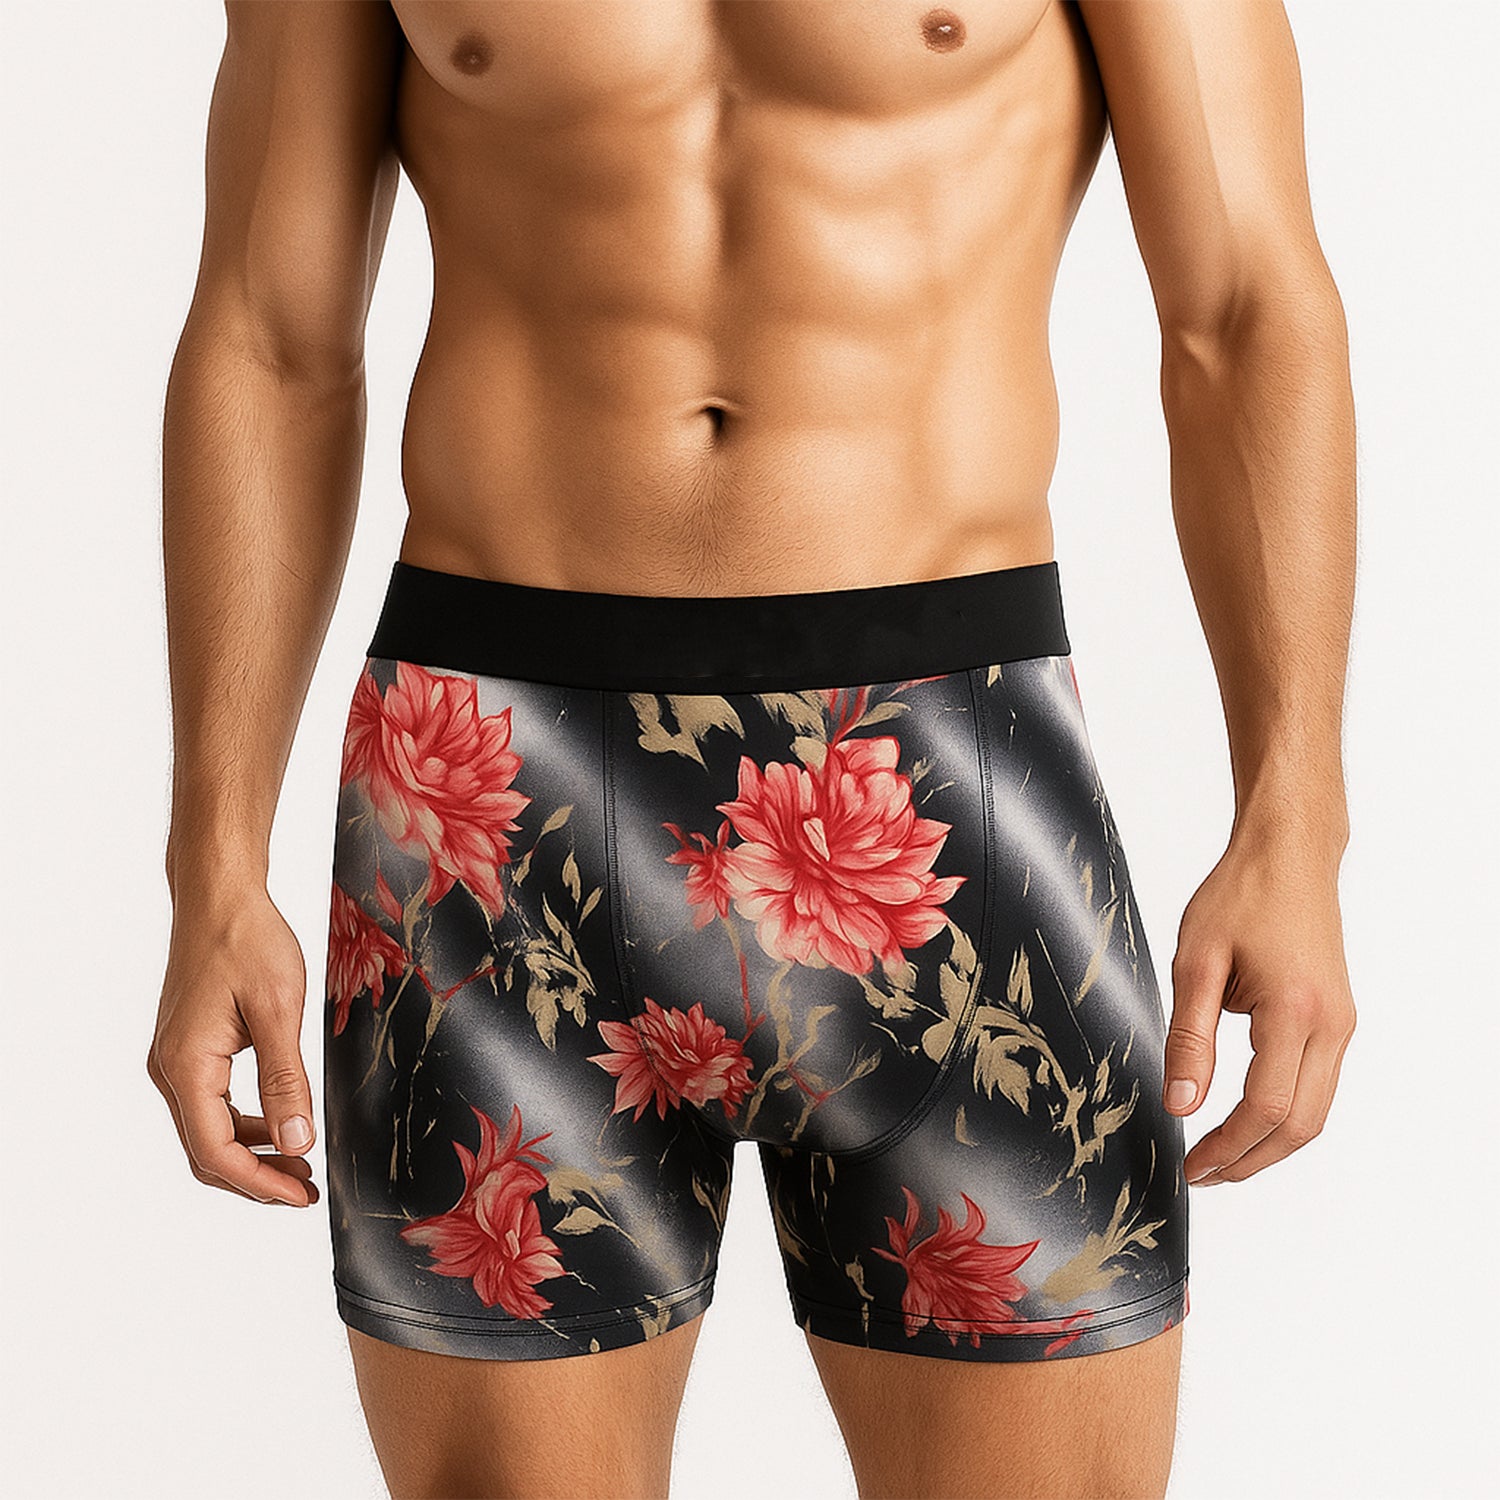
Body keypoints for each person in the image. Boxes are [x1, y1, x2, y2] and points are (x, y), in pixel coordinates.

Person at [146, 2, 1357, 1496]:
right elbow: (271, 339)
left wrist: (1295, 824)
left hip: (951, 783)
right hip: (483, 796)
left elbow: (1242, 312)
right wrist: (212, 861)